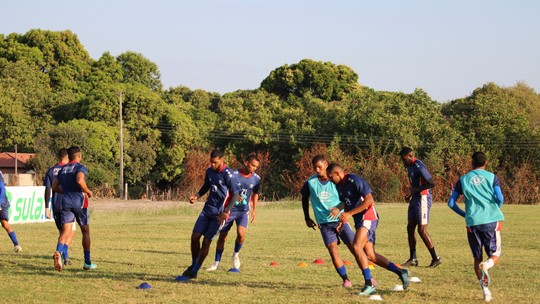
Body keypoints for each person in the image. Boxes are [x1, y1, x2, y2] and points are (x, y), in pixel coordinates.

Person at [301, 155, 376, 296]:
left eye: (319, 167)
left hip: (341, 219)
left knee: (355, 248)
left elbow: (346, 199)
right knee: (332, 250)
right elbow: (304, 198)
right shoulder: (310, 182)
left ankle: (369, 278)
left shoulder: (336, 181)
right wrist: (307, 217)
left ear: (326, 165)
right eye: (314, 167)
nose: (317, 170)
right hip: (323, 222)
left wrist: (343, 213)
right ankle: (346, 279)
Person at [327, 163, 410, 290]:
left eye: (331, 177)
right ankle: (401, 272)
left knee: (356, 246)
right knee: (370, 255)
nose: (330, 180)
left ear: (338, 173)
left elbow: (369, 200)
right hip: (359, 220)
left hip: (368, 216)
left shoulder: (355, 180)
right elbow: (346, 202)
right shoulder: (339, 186)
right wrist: (340, 215)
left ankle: (369, 284)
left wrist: (349, 213)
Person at [447, 152, 504, 303]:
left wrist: (465, 215)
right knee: (495, 254)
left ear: (471, 163)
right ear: (486, 162)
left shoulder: (463, 179)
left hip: (472, 223)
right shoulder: (492, 177)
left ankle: (486, 291)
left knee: (476, 257)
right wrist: (495, 209)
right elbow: (500, 198)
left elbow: (451, 203)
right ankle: (487, 265)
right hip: (491, 220)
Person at [176, 149, 240, 282]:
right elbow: (206, 185)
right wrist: (197, 195)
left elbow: (235, 195)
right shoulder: (209, 171)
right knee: (195, 237)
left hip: (219, 214)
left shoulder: (229, 175)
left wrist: (226, 211)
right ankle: (194, 265)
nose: (212, 165)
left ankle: (194, 270)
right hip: (207, 211)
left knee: (206, 241)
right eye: (211, 162)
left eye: (215, 162)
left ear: (222, 160)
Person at [206, 154, 261, 272]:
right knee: (222, 237)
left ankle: (236, 254)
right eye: (253, 165)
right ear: (246, 163)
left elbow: (255, 193)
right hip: (229, 211)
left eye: (256, 167)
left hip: (243, 211)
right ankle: (217, 263)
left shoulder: (256, 178)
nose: (254, 168)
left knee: (241, 233)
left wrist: (254, 210)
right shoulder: (233, 175)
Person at [51, 146, 95, 272]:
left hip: (65, 202)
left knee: (66, 230)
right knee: (85, 231)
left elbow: (54, 187)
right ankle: (87, 262)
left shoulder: (63, 169)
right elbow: (80, 180)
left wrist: (64, 191)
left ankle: (58, 251)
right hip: (79, 202)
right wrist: (88, 191)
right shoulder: (81, 167)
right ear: (79, 156)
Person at [399, 147, 442, 267]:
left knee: (421, 230)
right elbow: (415, 184)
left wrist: (416, 190)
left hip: (423, 198)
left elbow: (431, 183)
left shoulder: (419, 165)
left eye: (404, 159)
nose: (403, 161)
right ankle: (413, 259)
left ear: (411, 155)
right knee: (410, 228)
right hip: (415, 198)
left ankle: (436, 258)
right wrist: (410, 194)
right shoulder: (409, 166)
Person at [44, 148, 75, 266]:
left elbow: (48, 189)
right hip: (68, 204)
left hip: (56, 205)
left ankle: (63, 256)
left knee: (62, 232)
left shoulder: (51, 171)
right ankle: (63, 256)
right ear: (67, 157)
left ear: (58, 157)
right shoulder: (69, 170)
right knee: (69, 232)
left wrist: (47, 207)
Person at [0, 170, 22, 253]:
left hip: (2, 203)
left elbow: (2, 188)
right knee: (4, 224)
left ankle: (16, 245)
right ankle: (16, 245)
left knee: (5, 224)